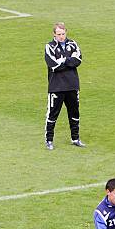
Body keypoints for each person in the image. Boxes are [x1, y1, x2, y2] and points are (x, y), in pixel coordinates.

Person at [44, 22, 86, 150]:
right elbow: (54, 65)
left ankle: (75, 138)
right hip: (56, 86)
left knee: (74, 113)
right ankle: (49, 140)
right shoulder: (49, 46)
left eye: (63, 34)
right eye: (59, 34)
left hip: (72, 85)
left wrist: (64, 60)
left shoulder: (73, 44)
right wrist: (69, 61)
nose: (61, 37)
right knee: (52, 114)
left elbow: (78, 60)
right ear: (54, 34)